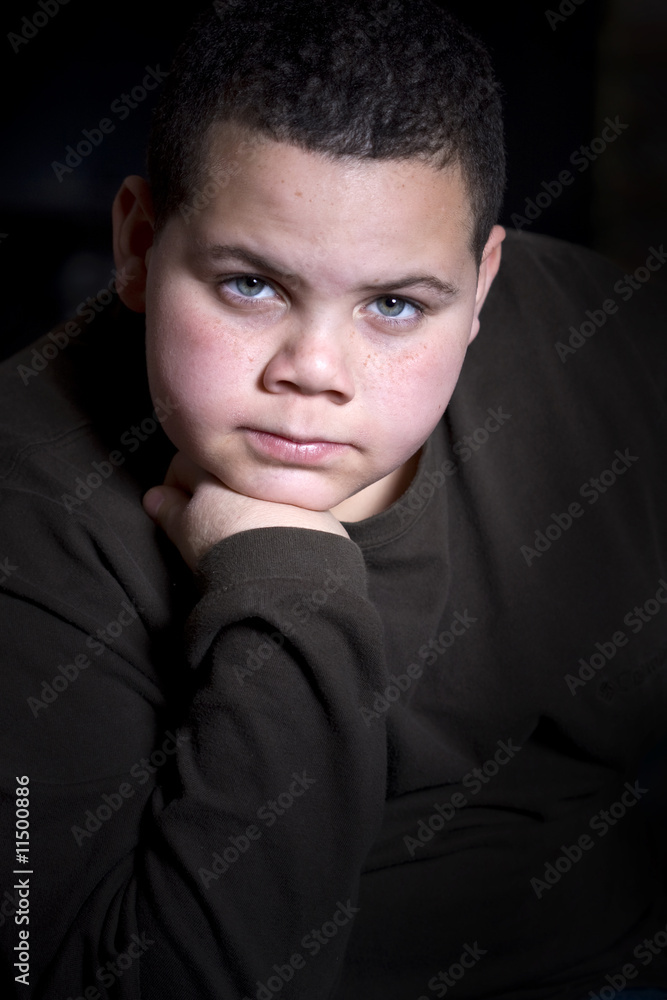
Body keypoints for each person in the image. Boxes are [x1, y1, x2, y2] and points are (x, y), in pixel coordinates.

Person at [1, 1, 666, 997]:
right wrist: (285, 580)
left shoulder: (599, 348)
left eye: (393, 305)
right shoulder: (27, 505)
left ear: (481, 282)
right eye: (251, 285)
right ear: (138, 242)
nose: (314, 372)